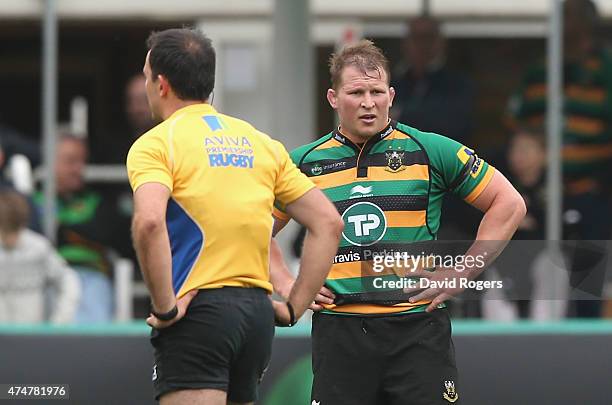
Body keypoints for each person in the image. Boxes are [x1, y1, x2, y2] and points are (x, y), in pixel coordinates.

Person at [271, 40, 525, 405]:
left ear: (391, 95)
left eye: (376, 91)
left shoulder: (430, 150)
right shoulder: (302, 163)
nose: (368, 102)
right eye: (356, 92)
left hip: (416, 329)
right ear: (332, 97)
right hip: (340, 331)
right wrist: (286, 281)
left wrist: (462, 271)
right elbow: (252, 227)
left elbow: (509, 203)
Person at [127, 28, 342, 405]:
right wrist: (293, 307)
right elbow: (328, 222)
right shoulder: (260, 142)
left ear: (161, 85)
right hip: (257, 315)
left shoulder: (156, 143)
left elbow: (148, 222)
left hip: (198, 311)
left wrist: (165, 307)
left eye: (146, 77)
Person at [508, 0, 611, 317]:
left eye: (568, 16)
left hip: (587, 193)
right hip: (542, 194)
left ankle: (587, 340)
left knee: (587, 282)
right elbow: (517, 122)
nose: (561, 24)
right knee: (531, 271)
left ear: (586, 23)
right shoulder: (542, 71)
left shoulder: (605, 70)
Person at [34, 135, 128, 323]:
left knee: (92, 331)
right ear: (50, 163)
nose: (79, 169)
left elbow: (109, 234)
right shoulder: (33, 201)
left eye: (82, 161)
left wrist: (62, 228)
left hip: (89, 274)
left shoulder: (95, 201)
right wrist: (74, 231)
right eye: (71, 161)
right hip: (44, 279)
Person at [0, 189, 80, 323]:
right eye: (5, 230)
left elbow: (69, 281)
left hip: (31, 337)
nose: (10, 238)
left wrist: (60, 321)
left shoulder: (39, 248)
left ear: (22, 225)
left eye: (15, 230)